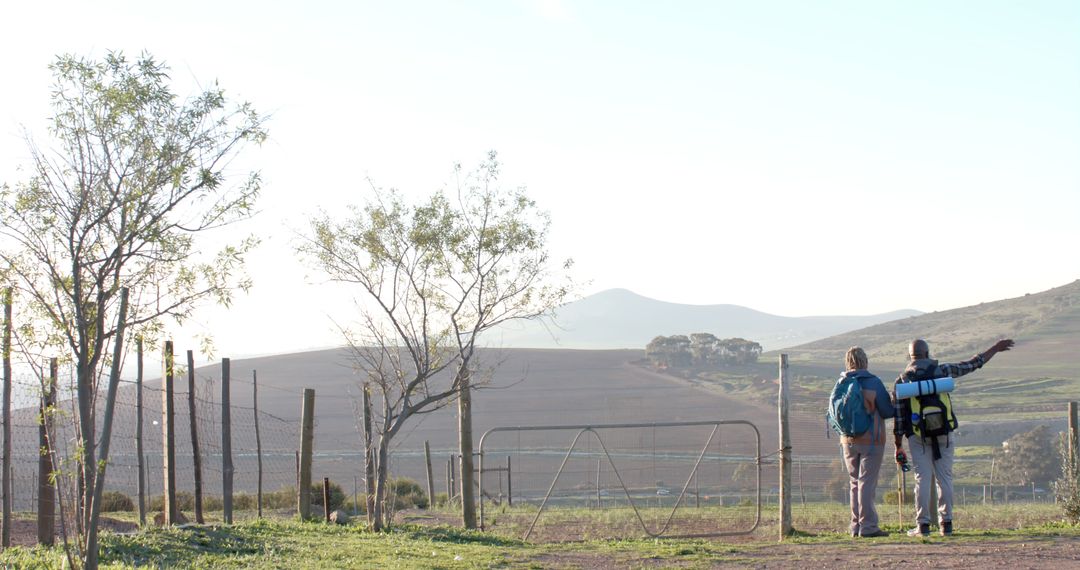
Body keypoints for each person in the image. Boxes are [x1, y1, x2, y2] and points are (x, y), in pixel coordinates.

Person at [894, 338, 1015, 537]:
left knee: (922, 479)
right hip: (944, 433)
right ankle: (946, 524)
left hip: (918, 436)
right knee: (945, 479)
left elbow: (899, 419)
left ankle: (923, 526)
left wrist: (898, 445)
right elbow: (971, 364)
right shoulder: (942, 371)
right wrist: (995, 348)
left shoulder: (902, 380)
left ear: (910, 356)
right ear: (927, 353)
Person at [839, 346, 895, 538]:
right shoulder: (874, 382)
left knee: (855, 482)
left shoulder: (842, 381)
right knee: (867, 483)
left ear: (848, 361)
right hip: (872, 439)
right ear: (865, 361)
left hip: (847, 440)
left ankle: (855, 525)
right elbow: (888, 411)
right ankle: (869, 526)